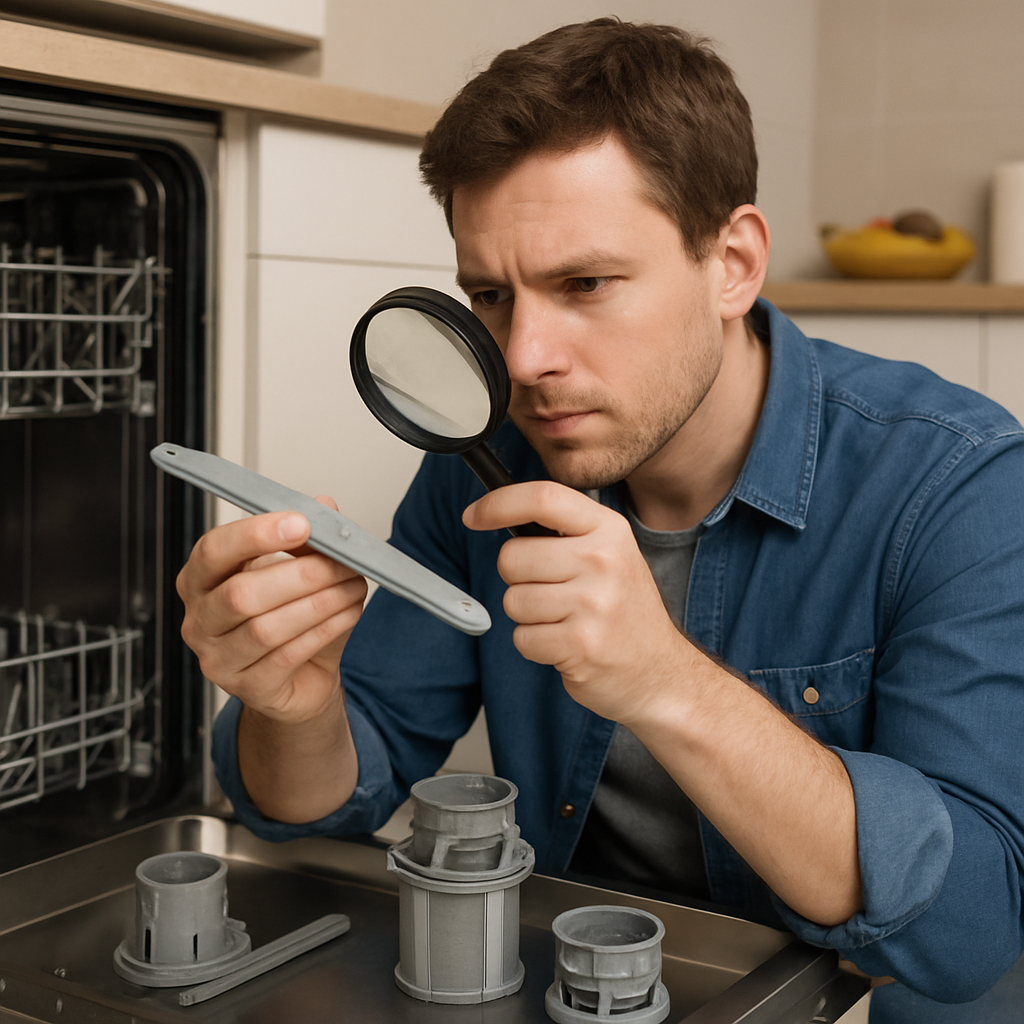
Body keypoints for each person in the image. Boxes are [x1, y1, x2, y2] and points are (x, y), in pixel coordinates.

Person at [178, 18, 1024, 1020]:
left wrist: (661, 678)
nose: (525, 357)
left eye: (585, 284)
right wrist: (295, 703)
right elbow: (310, 804)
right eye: (489, 295)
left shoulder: (957, 481)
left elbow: (972, 928)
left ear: (733, 263)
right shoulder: (481, 467)